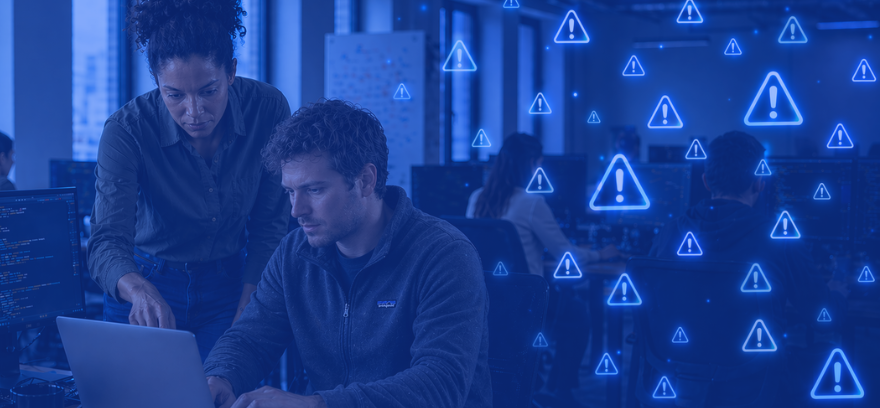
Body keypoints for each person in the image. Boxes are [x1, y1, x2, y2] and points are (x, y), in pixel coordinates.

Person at [202, 100, 492, 408]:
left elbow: (439, 386)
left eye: (314, 190)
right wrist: (220, 377)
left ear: (366, 180)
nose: (296, 210)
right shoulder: (293, 254)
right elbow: (250, 339)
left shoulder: (444, 255)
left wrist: (316, 404)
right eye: (290, 191)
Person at [87, 0, 291, 362]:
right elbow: (106, 242)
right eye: (175, 95)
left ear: (231, 71)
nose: (194, 112)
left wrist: (254, 295)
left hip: (231, 283)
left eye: (209, 91)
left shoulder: (268, 109)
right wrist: (138, 289)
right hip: (147, 284)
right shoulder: (126, 131)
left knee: (219, 393)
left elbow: (270, 224)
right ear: (155, 81)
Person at [646, 131, 842, 406]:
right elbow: (823, 318)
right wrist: (836, 290)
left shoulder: (668, 233)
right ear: (760, 183)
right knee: (832, 358)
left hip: (681, 381)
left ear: (705, 181)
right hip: (756, 384)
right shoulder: (779, 239)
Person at [466, 133, 618, 407]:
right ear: (531, 164)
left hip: (485, 303)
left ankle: (545, 385)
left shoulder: (477, 198)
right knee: (578, 314)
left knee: (567, 307)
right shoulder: (531, 202)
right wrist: (601, 253)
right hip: (527, 304)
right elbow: (566, 254)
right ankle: (561, 390)